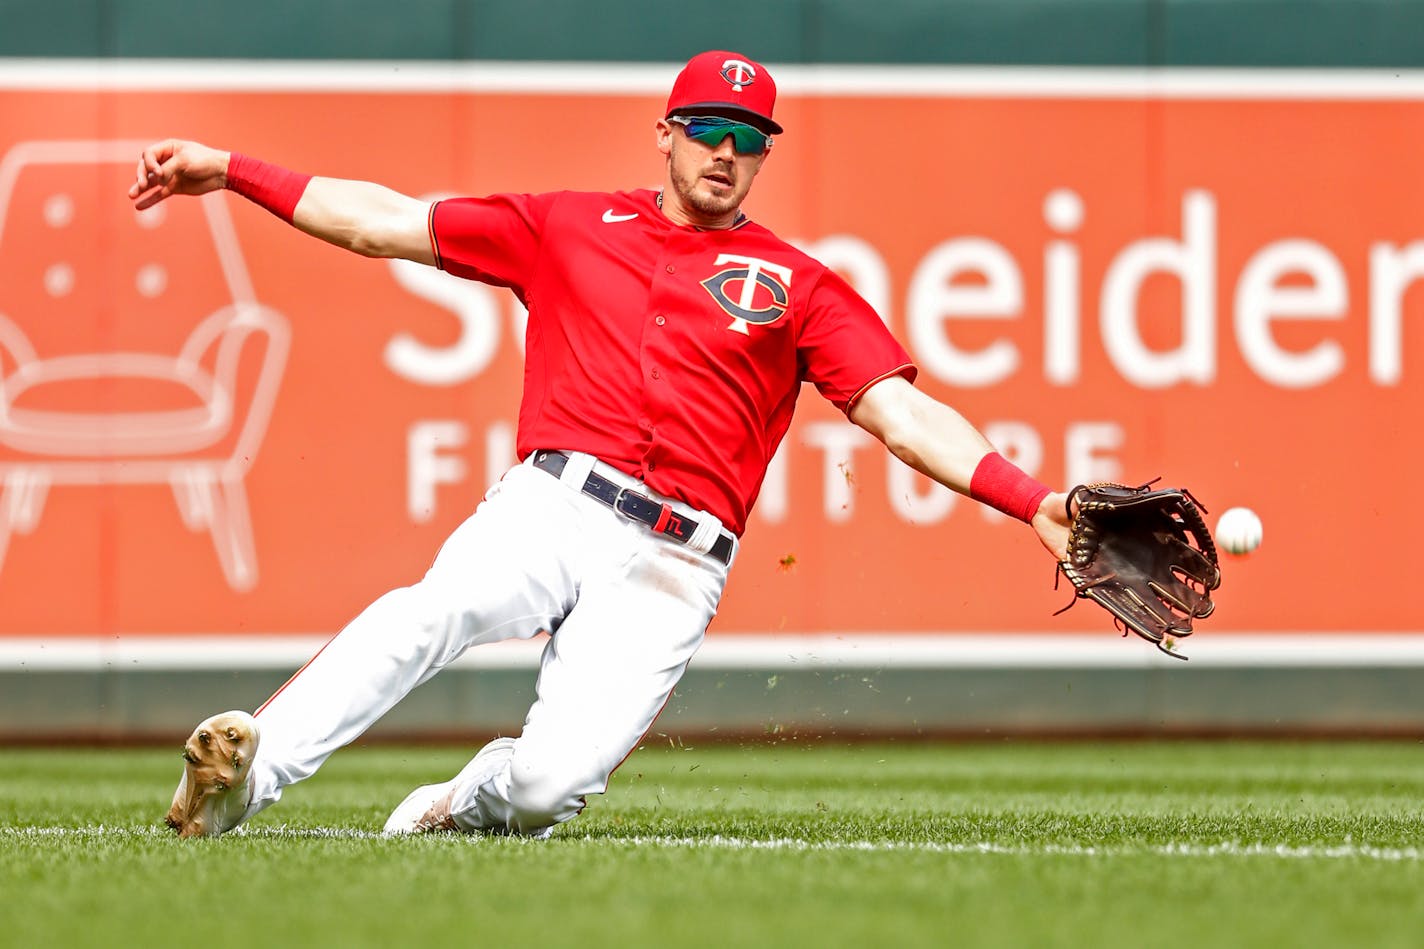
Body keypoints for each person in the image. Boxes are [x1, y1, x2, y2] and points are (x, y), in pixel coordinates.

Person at [136, 50, 1073, 840]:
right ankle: (242, 779)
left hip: (678, 558)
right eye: (708, 127)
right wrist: (228, 168)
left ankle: (461, 804)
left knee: (548, 788)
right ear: (665, 132)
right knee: (438, 608)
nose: (727, 151)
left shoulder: (800, 282)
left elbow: (901, 414)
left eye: (750, 139)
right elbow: (384, 222)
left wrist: (1033, 501)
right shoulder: (568, 225)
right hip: (553, 501)